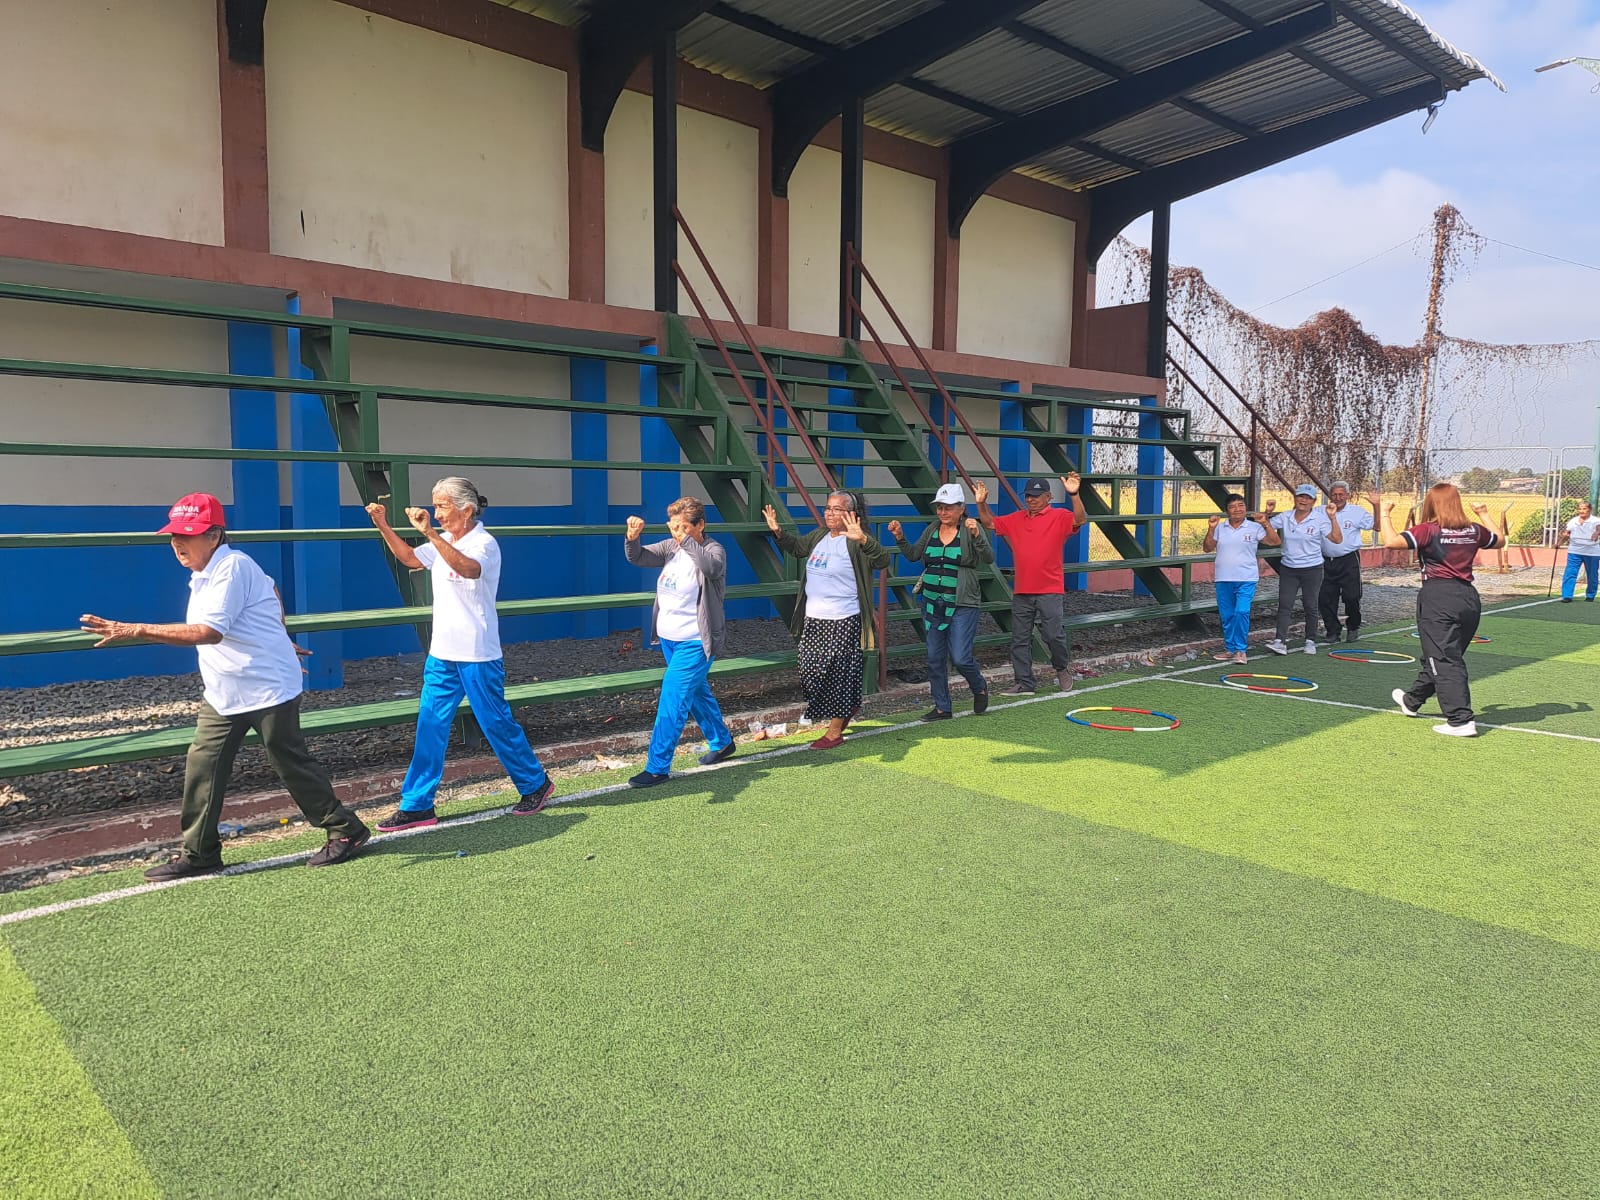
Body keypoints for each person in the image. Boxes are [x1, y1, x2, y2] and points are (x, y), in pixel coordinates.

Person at [81, 493, 370, 879]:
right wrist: (277, 633)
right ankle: (200, 853)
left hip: (267, 687)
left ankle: (345, 829)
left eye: (187, 535)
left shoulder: (232, 566)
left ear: (215, 535)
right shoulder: (206, 572)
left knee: (289, 762)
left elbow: (208, 632)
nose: (177, 543)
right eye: (174, 535)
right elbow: (272, 589)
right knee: (204, 765)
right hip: (224, 692)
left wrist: (136, 629)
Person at [366, 478, 554, 827]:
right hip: (442, 652)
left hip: (477, 653)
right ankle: (417, 803)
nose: (436, 513)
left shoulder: (484, 543)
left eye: (442, 506)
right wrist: (382, 524)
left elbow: (469, 570)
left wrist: (430, 534)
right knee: (430, 725)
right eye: (435, 505)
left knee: (495, 723)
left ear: (466, 510)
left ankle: (535, 784)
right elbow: (409, 558)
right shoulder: (445, 539)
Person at [763, 492, 892, 750]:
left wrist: (864, 539)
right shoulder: (819, 535)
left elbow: (883, 560)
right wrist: (778, 531)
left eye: (836, 509)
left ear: (851, 514)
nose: (830, 513)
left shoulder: (856, 542)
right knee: (810, 670)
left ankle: (834, 732)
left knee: (838, 674)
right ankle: (848, 704)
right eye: (828, 508)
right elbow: (797, 548)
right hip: (814, 617)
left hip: (844, 617)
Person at [623, 496, 736, 787]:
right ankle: (722, 741)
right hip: (670, 639)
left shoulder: (713, 550)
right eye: (673, 526)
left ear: (701, 525)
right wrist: (632, 539)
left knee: (672, 700)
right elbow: (639, 557)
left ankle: (657, 767)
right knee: (696, 693)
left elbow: (711, 569)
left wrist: (685, 540)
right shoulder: (670, 547)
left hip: (696, 642)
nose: (677, 532)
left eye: (684, 527)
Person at [1373, 483, 1501, 737]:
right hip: (1468, 598)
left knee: (1444, 659)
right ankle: (1412, 701)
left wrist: (1385, 512)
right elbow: (1500, 540)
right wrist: (1484, 513)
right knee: (1441, 655)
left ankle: (1460, 719)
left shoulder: (1429, 530)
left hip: (1438, 597)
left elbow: (1390, 541)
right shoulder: (1474, 530)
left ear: (1432, 503)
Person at [888, 483, 995, 721]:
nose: (943, 512)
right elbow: (914, 554)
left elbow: (988, 558)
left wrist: (978, 536)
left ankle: (978, 685)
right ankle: (942, 707)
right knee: (935, 657)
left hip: (962, 602)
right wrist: (900, 538)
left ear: (961, 508)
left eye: (948, 507)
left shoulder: (970, 528)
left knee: (960, 657)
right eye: (940, 507)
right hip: (932, 602)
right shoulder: (932, 529)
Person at [974, 474, 1088, 695]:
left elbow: (1080, 519)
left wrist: (1074, 494)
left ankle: (1061, 668)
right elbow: (989, 523)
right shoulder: (1017, 518)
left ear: (1048, 497)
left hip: (1050, 588)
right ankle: (1024, 682)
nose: (1030, 499)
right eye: (1028, 495)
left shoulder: (1059, 516)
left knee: (1053, 635)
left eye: (1036, 495)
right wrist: (981, 503)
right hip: (1022, 590)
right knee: (1020, 639)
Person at [1202, 494, 1281, 664]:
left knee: (1242, 611)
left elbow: (1275, 541)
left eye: (1241, 505)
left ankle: (1241, 650)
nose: (1237, 509)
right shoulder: (1220, 528)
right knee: (1228, 615)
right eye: (1232, 506)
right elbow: (1207, 548)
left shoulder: (1254, 527)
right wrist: (1211, 528)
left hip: (1246, 578)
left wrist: (1265, 523)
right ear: (1227, 511)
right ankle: (1230, 649)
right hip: (1223, 578)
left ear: (1245, 507)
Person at [1266, 484, 1341, 655]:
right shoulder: (1286, 516)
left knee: (1310, 605)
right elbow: (1265, 527)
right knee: (1285, 604)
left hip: (1312, 569)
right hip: (1289, 567)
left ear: (1313, 501)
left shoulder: (1319, 519)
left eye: (1308, 498)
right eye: (1300, 496)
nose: (1303, 500)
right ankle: (1280, 641)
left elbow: (1337, 539)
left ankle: (1310, 640)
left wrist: (1332, 518)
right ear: (1295, 498)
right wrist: (1268, 513)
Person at [1318, 480, 1374, 642]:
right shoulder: (1320, 511)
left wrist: (1377, 505)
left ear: (1347, 495)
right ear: (1330, 496)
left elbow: (1376, 526)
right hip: (1325, 560)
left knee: (1352, 597)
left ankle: (1353, 626)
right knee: (1325, 598)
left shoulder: (1357, 512)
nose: (1338, 498)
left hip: (1348, 560)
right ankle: (1333, 631)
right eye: (1334, 494)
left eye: (1341, 494)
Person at [1557, 499, 1599, 603]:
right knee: (1570, 573)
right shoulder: (1573, 521)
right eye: (1580, 509)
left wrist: (1596, 533)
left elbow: (1598, 529)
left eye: (1584, 509)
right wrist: (1559, 543)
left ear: (1589, 510)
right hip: (1574, 550)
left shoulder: (1595, 520)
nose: (1582, 511)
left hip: (1591, 551)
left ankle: (1590, 595)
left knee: (1592, 574)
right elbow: (1567, 533)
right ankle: (1567, 595)